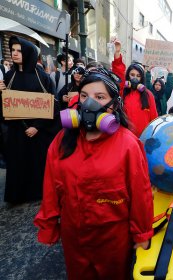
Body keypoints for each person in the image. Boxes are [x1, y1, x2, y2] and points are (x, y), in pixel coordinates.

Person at [34, 67, 154, 279]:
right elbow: (51, 187)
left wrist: (142, 234)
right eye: (84, 96)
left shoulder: (128, 144)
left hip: (113, 239)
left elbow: (141, 193)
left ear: (114, 104)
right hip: (74, 235)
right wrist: (48, 225)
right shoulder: (63, 140)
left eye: (99, 97)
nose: (89, 103)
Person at [0, 36, 59, 204]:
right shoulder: (9, 76)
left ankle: (39, 193)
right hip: (17, 131)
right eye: (13, 50)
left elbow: (52, 105)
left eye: (19, 50)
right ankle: (18, 195)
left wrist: (37, 127)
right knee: (18, 163)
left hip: (38, 131)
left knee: (37, 164)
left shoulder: (42, 77)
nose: (15, 53)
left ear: (28, 53)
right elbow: (5, 107)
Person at [111, 38, 158, 137]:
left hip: (143, 138)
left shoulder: (148, 95)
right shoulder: (122, 91)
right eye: (132, 75)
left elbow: (154, 119)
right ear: (128, 76)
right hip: (125, 136)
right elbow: (118, 73)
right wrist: (117, 53)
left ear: (142, 78)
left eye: (138, 76)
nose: (135, 78)